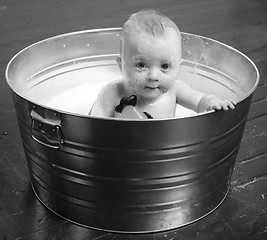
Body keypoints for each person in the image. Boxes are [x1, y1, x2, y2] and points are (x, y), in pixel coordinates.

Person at [89, 10, 236, 119]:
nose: (153, 76)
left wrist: (213, 104)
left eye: (165, 66)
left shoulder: (175, 90)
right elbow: (93, 123)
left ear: (179, 66)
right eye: (141, 65)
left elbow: (200, 101)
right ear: (121, 66)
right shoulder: (112, 92)